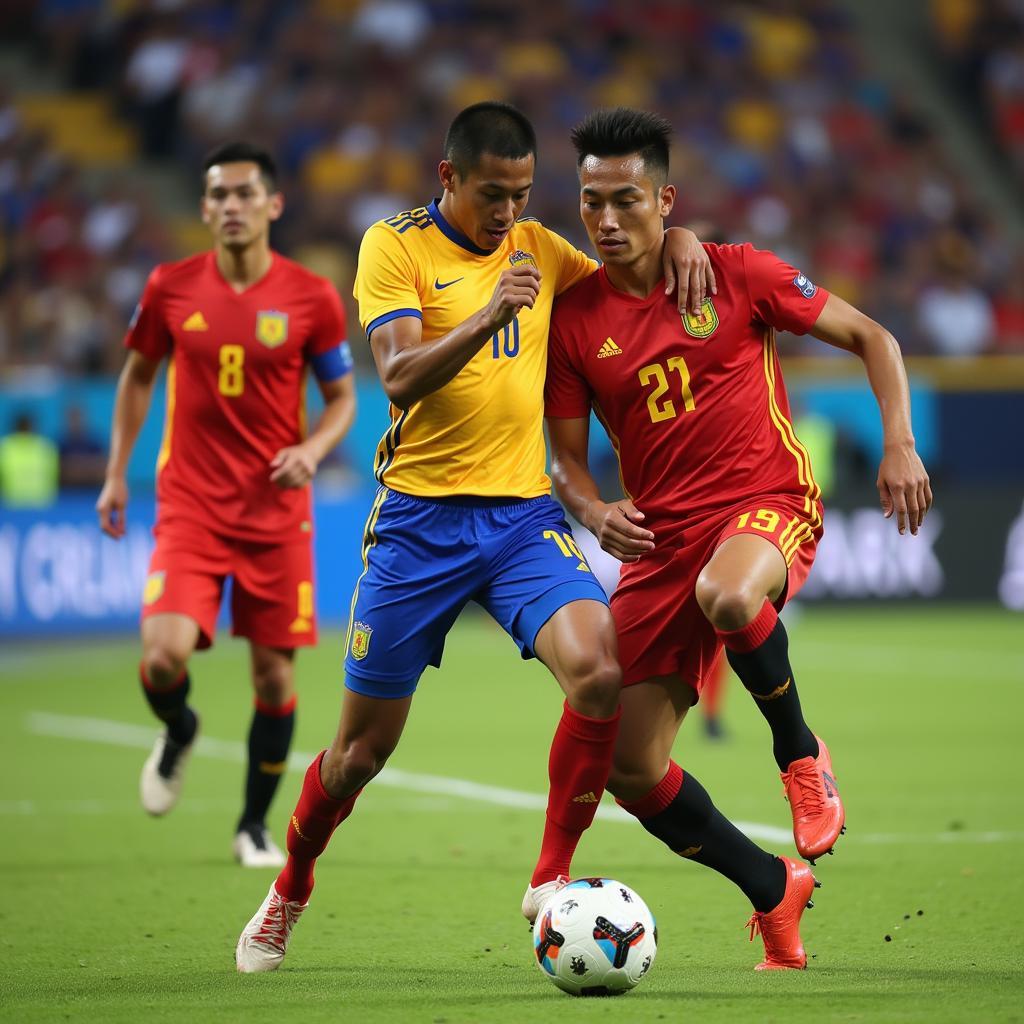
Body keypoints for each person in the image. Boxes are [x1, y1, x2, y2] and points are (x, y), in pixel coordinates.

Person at [234, 101, 713, 973]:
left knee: (600, 673)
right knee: (357, 756)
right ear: (448, 177)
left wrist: (682, 242)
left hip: (523, 518)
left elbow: (626, 270)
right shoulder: (395, 246)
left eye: (524, 196)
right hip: (419, 525)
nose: (510, 214)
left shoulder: (539, 247)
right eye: (494, 194)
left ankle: (549, 874)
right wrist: (492, 314)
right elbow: (399, 376)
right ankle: (290, 886)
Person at [543, 109, 931, 969]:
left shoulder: (737, 273)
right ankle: (771, 887)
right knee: (632, 770)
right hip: (659, 539)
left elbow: (875, 337)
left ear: (666, 200)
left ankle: (800, 754)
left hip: (765, 502)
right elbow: (565, 463)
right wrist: (592, 509)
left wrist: (898, 441)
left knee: (728, 594)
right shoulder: (572, 320)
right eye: (590, 202)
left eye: (627, 201)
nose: (606, 221)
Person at [96, 142, 356, 868]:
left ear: (272, 205)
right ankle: (179, 728)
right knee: (160, 657)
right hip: (192, 509)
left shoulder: (312, 297)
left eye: (245, 194)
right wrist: (117, 473)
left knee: (274, 677)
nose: (231, 206)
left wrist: (314, 449)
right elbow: (137, 377)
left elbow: (342, 400)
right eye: (219, 195)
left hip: (277, 514)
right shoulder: (171, 287)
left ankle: (252, 826)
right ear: (206, 208)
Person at [0, 412, 59, 508]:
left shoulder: (4, 447)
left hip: (19, 505)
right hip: (34, 505)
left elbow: (54, 475)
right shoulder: (46, 446)